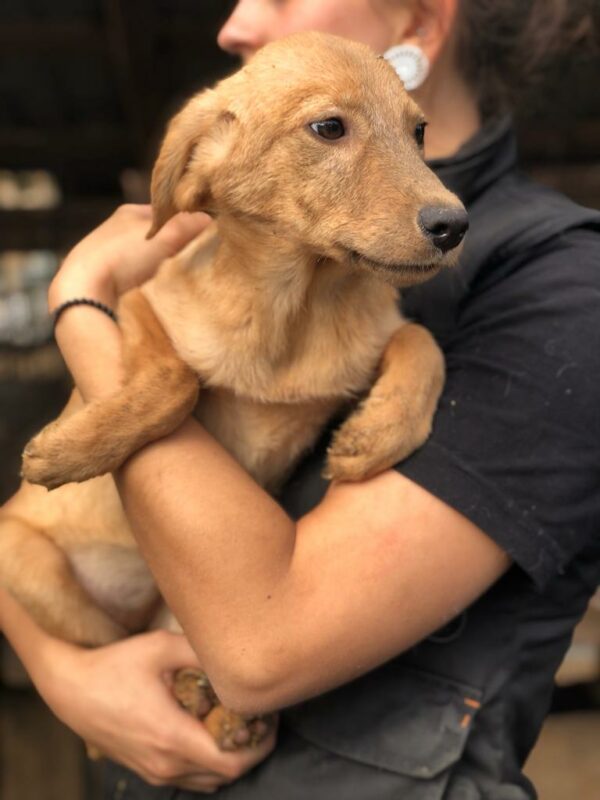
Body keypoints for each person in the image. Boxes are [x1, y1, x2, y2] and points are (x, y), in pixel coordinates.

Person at [1, 0, 599, 797]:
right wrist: (67, 674)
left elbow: (258, 647)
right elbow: (22, 536)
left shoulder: (565, 287)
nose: (234, 24)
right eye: (329, 128)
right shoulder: (239, 250)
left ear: (421, 24)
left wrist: (80, 308)